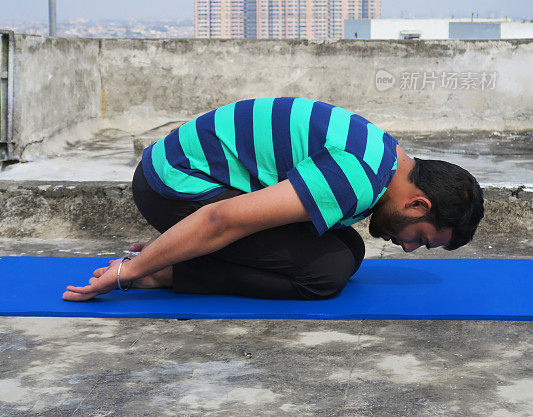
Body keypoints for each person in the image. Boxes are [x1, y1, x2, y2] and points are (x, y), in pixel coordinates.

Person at [63, 97, 484, 302]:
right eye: (421, 239)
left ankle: (170, 252)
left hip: (190, 174)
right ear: (418, 205)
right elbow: (220, 220)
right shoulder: (358, 178)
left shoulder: (384, 155)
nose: (408, 247)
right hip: (171, 185)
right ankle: (166, 273)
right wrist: (131, 270)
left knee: (350, 247)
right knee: (326, 272)